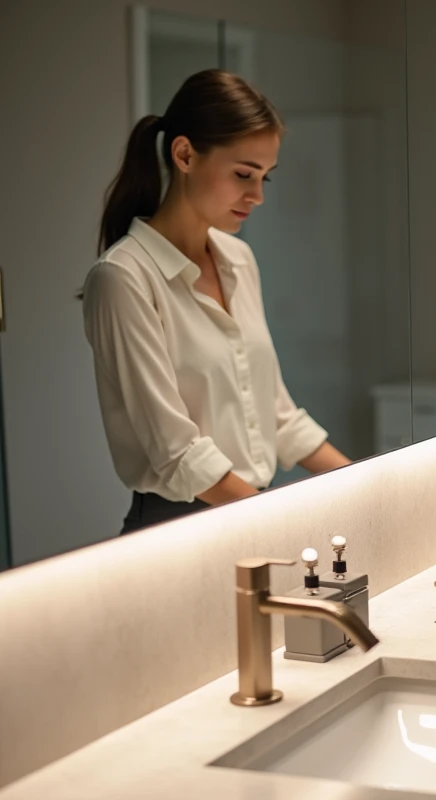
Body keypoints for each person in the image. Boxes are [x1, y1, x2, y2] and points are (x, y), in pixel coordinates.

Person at [82, 69, 351, 535]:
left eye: (266, 177)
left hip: (248, 513)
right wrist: (276, 519)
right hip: (179, 529)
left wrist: (364, 483)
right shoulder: (124, 278)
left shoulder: (238, 259)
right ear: (184, 154)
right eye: (244, 174)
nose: (258, 196)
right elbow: (177, 451)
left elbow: (277, 415)